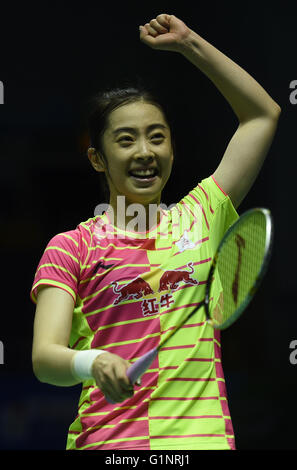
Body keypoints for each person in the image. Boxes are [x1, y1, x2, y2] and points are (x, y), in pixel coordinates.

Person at [30, 14, 281, 451]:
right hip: (112, 446)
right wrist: (92, 361)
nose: (145, 152)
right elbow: (45, 358)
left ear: (171, 147)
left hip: (205, 443)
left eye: (156, 137)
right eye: (126, 140)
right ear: (97, 158)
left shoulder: (202, 215)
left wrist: (190, 45)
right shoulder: (72, 247)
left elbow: (262, 115)